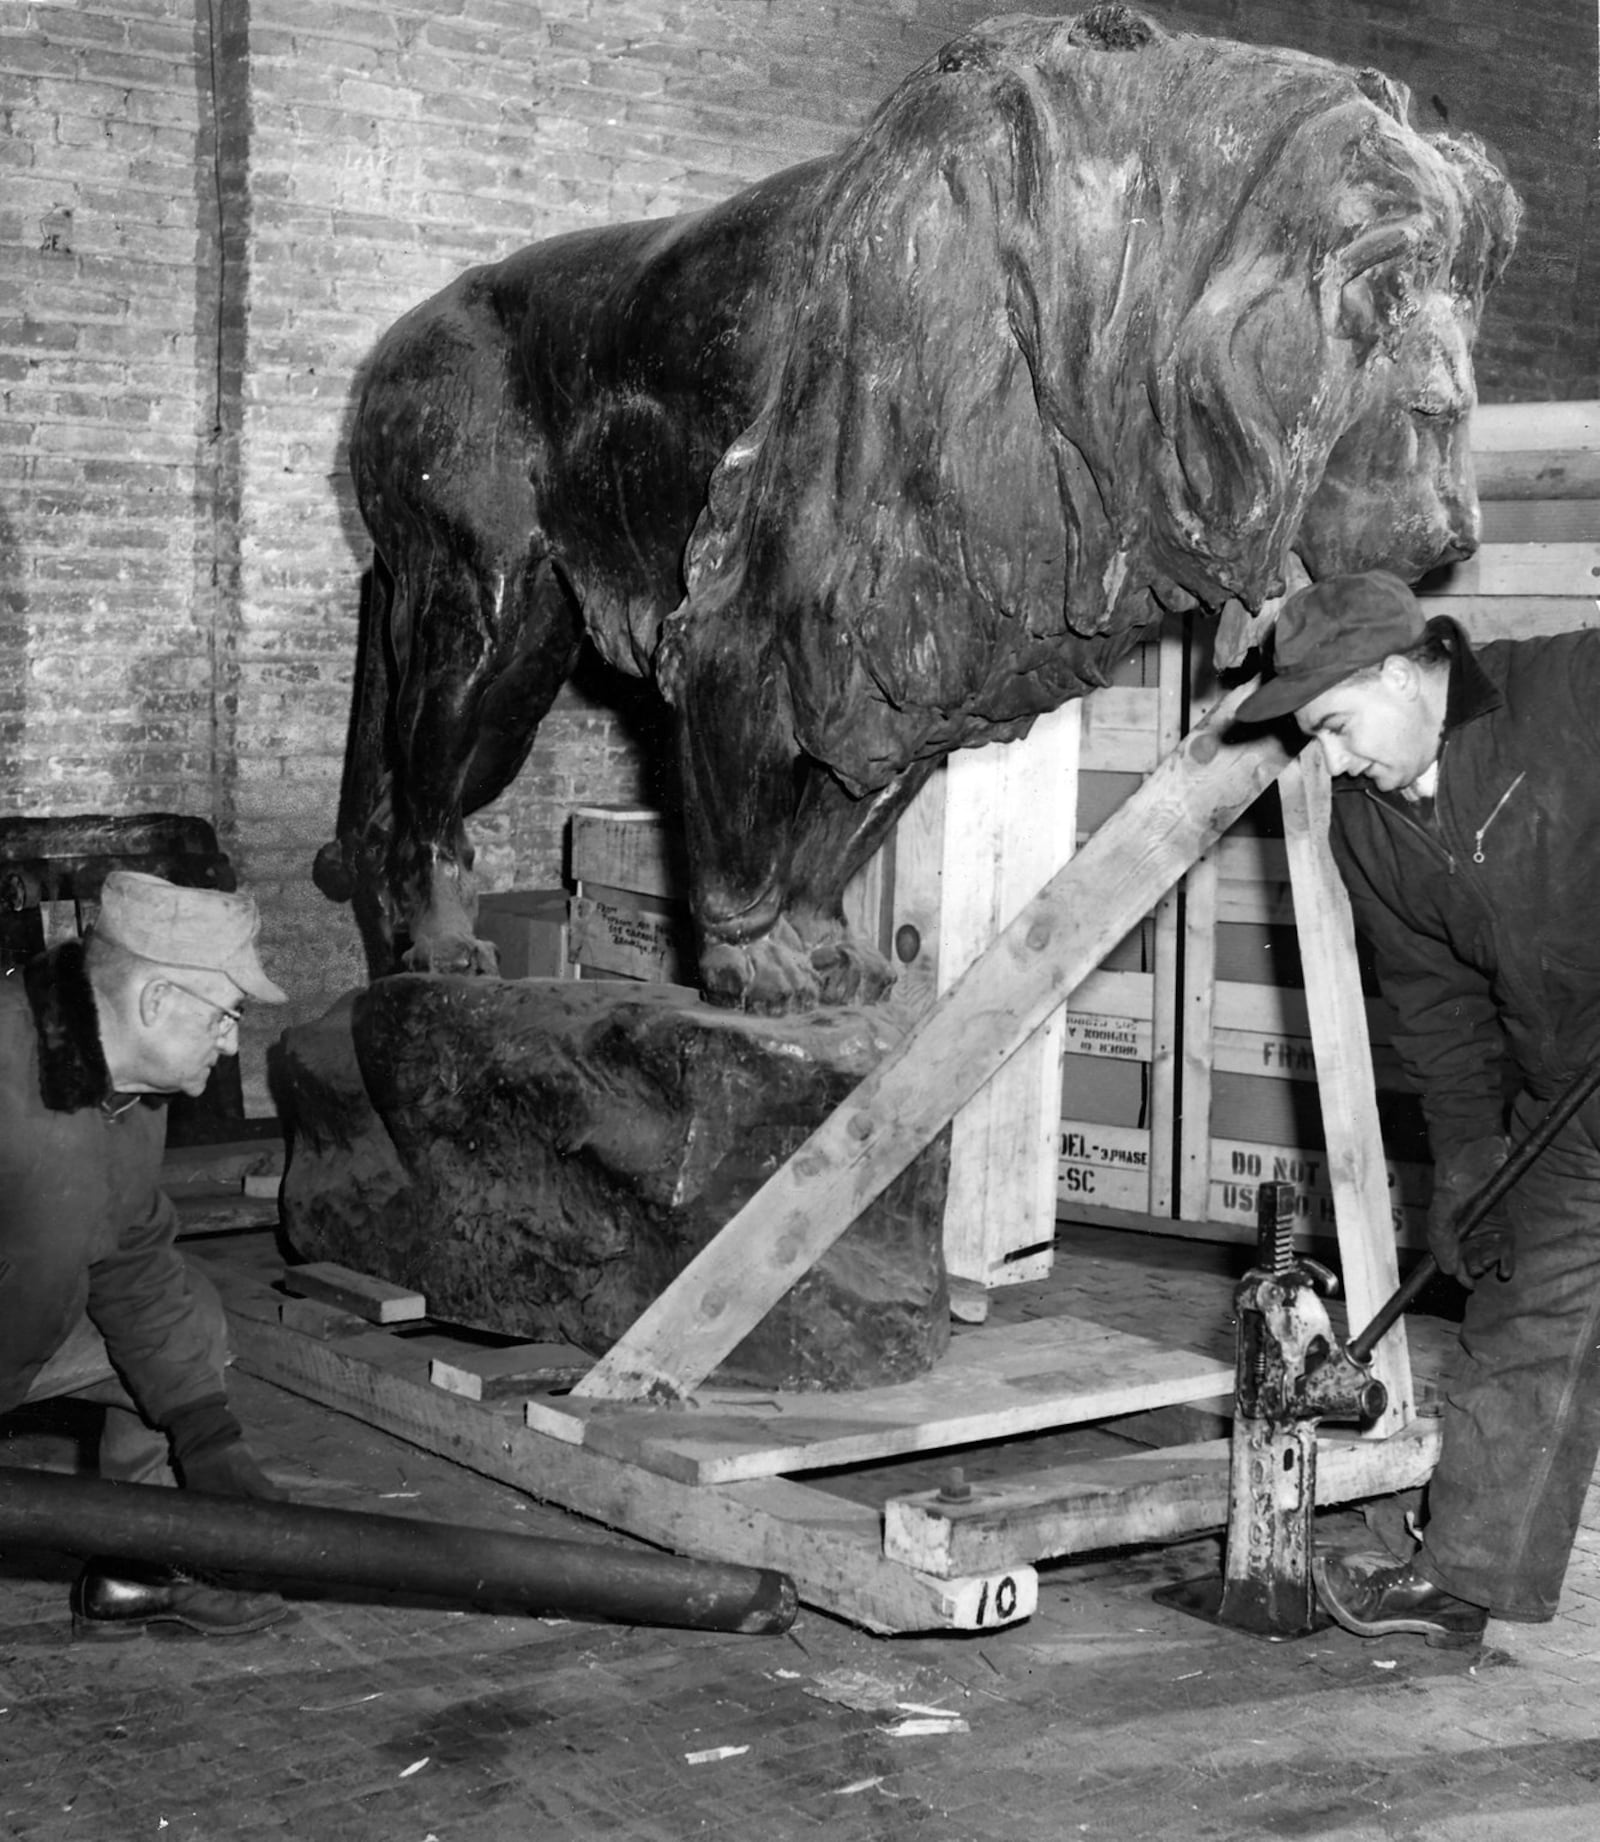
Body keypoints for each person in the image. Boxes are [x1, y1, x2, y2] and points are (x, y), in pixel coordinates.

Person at [1235, 568, 1600, 1650]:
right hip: (1571, 1094)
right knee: (1530, 1315)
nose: (1331, 758)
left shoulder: (1572, 691)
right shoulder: (1371, 828)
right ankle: (1463, 1576)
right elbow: (1437, 1011)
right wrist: (1469, 1161)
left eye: (1336, 725)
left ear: (1401, 672)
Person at [0, 870, 292, 1637]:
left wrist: (205, 1432)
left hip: (19, 1332)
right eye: (226, 1017)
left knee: (187, 1308)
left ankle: (140, 1568)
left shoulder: (127, 1094)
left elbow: (132, 1259)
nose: (232, 1043)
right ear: (157, 1001)